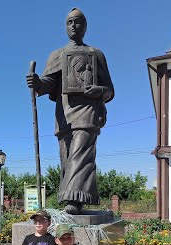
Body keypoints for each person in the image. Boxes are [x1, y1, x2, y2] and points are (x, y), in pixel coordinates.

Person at [26, 7, 114, 215]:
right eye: (70, 22)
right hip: (64, 114)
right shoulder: (57, 55)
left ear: (85, 26)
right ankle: (74, 199)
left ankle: (73, 202)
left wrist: (99, 91)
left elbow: (110, 90)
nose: (74, 25)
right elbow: (48, 83)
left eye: (78, 22)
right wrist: (37, 82)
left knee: (80, 154)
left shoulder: (96, 54)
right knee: (67, 158)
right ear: (65, 27)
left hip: (88, 112)